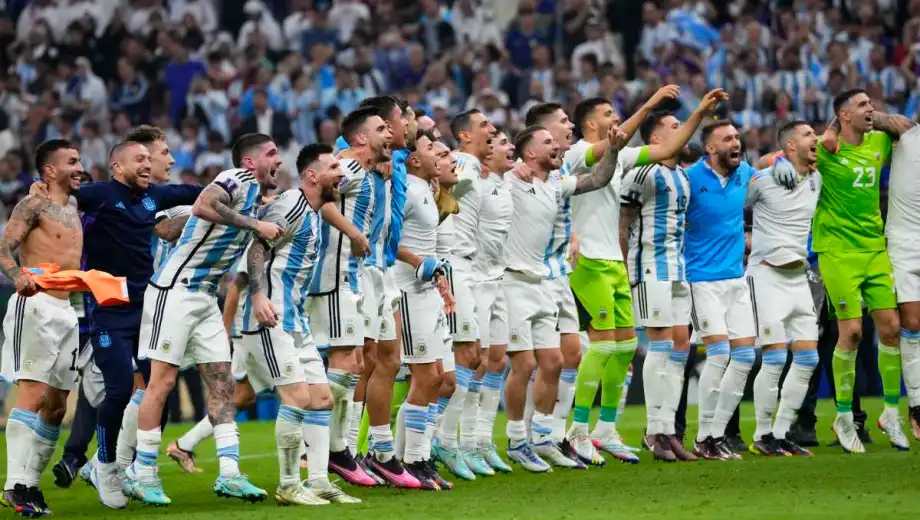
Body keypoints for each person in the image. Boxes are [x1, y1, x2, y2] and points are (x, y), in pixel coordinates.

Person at [127, 133, 284, 505]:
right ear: (250, 162)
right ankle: (142, 474)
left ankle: (229, 474)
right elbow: (202, 204)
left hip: (207, 295)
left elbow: (253, 253)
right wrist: (254, 224)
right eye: (271, 153)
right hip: (174, 291)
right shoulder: (236, 178)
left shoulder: (259, 202)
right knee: (162, 382)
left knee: (223, 383)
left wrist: (257, 290)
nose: (279, 160)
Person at [55, 136, 201, 508]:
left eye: (149, 159)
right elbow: (62, 195)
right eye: (139, 160)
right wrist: (44, 192)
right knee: (119, 390)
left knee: (159, 392)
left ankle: (122, 467)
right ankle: (104, 467)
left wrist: (235, 190)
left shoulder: (153, 197)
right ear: (117, 167)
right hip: (108, 312)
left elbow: (194, 191)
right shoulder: (99, 195)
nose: (147, 165)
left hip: (146, 312)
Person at [566, 86, 706, 465]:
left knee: (627, 347)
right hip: (588, 260)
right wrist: (650, 104)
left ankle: (605, 429)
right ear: (591, 123)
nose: (615, 118)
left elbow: (666, 148)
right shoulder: (577, 153)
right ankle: (577, 430)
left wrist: (699, 113)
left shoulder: (622, 157)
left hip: (615, 261)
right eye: (608, 113)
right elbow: (611, 146)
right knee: (603, 347)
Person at [240, 142, 360, 505]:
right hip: (270, 315)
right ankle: (289, 485)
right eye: (334, 168)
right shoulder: (292, 203)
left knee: (322, 399)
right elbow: (257, 247)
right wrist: (257, 296)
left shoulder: (313, 212)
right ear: (312, 175)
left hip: (295, 318)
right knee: (297, 397)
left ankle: (319, 481)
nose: (341, 174)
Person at [503, 123, 626, 471]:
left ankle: (543, 438)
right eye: (547, 142)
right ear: (529, 153)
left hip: (544, 280)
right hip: (513, 281)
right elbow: (486, 169)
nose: (556, 145)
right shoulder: (512, 180)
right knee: (523, 365)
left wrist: (613, 150)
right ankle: (515, 440)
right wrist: (511, 166)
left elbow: (597, 179)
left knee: (554, 361)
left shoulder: (556, 184)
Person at [618, 91, 725, 463]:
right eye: (674, 126)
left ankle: (668, 428)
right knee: (661, 343)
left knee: (682, 345)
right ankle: (656, 430)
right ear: (656, 138)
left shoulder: (682, 175)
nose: (682, 132)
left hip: (678, 268)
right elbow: (622, 221)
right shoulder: (643, 172)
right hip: (650, 266)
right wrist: (622, 268)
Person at [807, 90, 912, 453]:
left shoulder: (879, 142)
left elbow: (907, 128)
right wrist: (830, 131)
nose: (871, 109)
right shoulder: (825, 151)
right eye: (862, 105)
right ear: (844, 114)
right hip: (837, 252)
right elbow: (784, 156)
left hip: (874, 249)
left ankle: (891, 414)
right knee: (850, 332)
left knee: (892, 329)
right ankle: (843, 417)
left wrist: (868, 119)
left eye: (871, 103)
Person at [0, 139, 84, 516]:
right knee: (32, 395)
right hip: (35, 304)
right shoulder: (32, 204)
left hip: (68, 309)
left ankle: (31, 484)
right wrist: (17, 274)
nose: (80, 168)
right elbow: (3, 248)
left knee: (57, 405)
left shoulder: (75, 205)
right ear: (50, 170)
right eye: (72, 162)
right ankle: (14, 486)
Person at [308, 107, 383, 487]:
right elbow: (319, 200)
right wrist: (353, 232)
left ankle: (340, 449)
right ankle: (324, 447)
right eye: (381, 128)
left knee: (354, 364)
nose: (389, 134)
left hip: (348, 277)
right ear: (362, 138)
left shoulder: (366, 172)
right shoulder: (349, 167)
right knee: (345, 364)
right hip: (332, 277)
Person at [745, 122, 821, 457]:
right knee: (775, 357)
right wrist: (770, 161)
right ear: (790, 146)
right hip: (766, 276)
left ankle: (781, 432)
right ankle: (762, 434)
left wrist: (777, 158)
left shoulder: (817, 178)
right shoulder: (764, 180)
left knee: (808, 358)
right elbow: (733, 202)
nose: (815, 138)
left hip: (799, 278)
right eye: (807, 135)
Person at [683, 120, 757, 461]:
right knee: (719, 354)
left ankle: (717, 434)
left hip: (736, 279)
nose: (736, 142)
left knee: (745, 357)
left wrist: (777, 161)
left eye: (737, 137)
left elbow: (767, 166)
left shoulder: (744, 175)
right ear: (711, 148)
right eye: (728, 138)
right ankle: (703, 437)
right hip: (701, 280)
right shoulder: (690, 179)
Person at [433, 109, 495, 478]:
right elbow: (440, 191)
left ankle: (450, 440)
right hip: (453, 262)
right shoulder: (461, 164)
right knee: (466, 355)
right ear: (465, 136)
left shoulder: (473, 167)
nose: (492, 129)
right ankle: (442, 440)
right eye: (484, 125)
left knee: (474, 357)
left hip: (468, 265)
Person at [393, 132, 455, 490]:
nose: (438, 154)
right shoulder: (405, 191)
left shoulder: (426, 191)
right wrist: (418, 262)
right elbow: (387, 238)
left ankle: (414, 457)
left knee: (438, 378)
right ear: (414, 160)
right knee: (425, 377)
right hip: (408, 290)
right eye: (431, 149)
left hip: (428, 290)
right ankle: (411, 460)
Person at [471, 130, 515, 473]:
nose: (509, 147)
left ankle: (484, 441)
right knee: (477, 362)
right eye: (502, 143)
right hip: (475, 279)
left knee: (498, 360)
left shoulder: (511, 181)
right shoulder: (474, 182)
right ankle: (462, 442)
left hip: (500, 278)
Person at [883, 114, 920, 439]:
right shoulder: (906, 131)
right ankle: (917, 406)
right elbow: (871, 117)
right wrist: (833, 131)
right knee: (912, 324)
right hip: (905, 244)